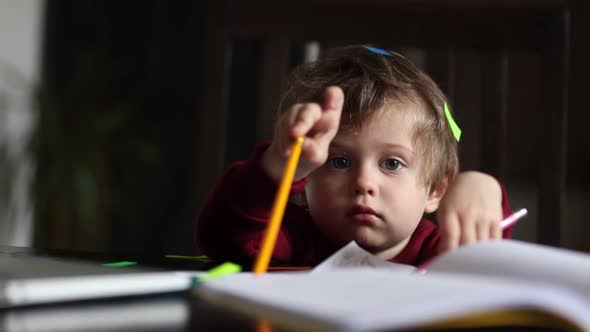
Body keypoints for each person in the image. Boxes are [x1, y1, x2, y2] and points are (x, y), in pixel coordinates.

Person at [195, 45, 512, 267]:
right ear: (305, 180)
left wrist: (483, 190)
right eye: (340, 162)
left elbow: (490, 263)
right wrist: (279, 165)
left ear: (435, 190)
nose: (364, 183)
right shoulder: (295, 237)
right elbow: (223, 235)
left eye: (392, 163)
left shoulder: (445, 251)